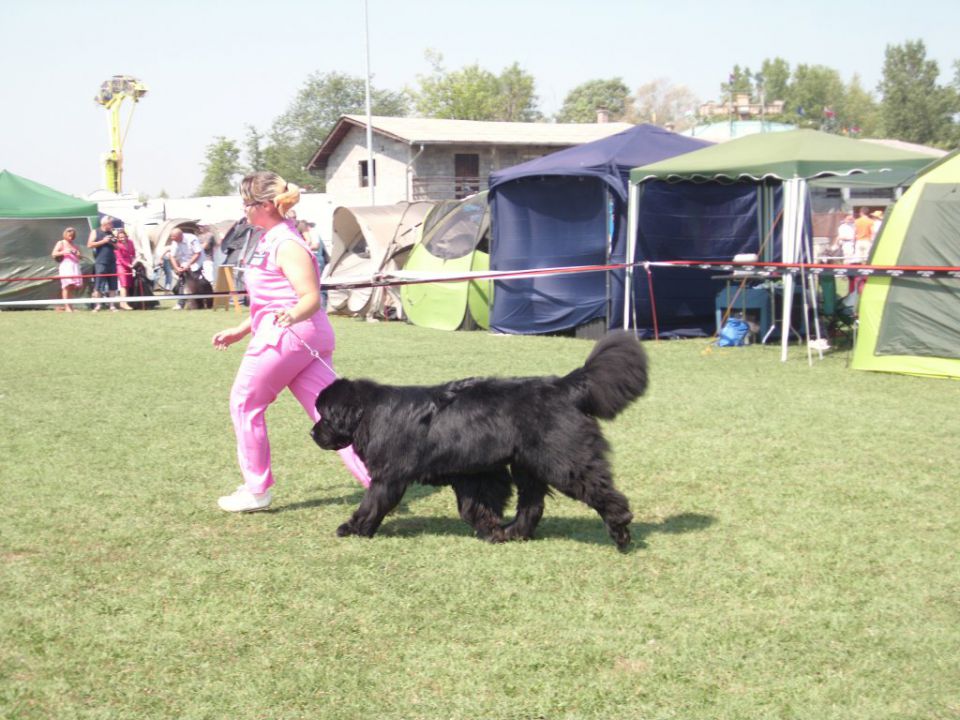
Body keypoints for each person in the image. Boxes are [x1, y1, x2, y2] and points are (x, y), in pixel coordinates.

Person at [212, 171, 370, 512]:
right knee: (333, 415)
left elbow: (310, 297)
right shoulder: (273, 238)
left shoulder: (286, 243)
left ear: (267, 205)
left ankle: (257, 490)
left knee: (244, 403)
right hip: (297, 337)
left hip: (287, 339)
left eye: (248, 202)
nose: (244, 209)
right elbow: (271, 301)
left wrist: (292, 317)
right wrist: (242, 329)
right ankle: (379, 479)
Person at [87, 216, 119, 312]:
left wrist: (113, 242)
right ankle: (98, 305)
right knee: (98, 284)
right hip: (100, 262)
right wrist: (103, 241)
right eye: (111, 223)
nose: (112, 225)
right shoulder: (95, 232)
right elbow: (89, 244)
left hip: (112, 262)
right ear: (105, 224)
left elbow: (117, 247)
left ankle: (112, 305)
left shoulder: (111, 233)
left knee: (113, 285)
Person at [166, 228, 203, 309]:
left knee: (188, 284)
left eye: (174, 237)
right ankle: (185, 303)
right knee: (179, 286)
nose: (173, 239)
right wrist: (176, 268)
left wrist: (188, 265)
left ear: (180, 235)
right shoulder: (175, 242)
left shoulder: (192, 239)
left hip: (196, 263)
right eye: (172, 237)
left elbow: (198, 253)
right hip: (183, 264)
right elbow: (172, 256)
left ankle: (182, 304)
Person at [52, 227, 83, 312]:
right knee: (66, 286)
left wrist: (78, 254)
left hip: (75, 266)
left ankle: (71, 306)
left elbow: (80, 256)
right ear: (65, 234)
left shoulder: (75, 245)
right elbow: (54, 254)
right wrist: (65, 251)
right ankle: (67, 307)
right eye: (69, 234)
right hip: (66, 266)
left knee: (72, 286)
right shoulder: (61, 243)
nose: (71, 236)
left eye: (72, 235)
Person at [114, 228, 136, 310]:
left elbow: (133, 253)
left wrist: (133, 262)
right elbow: (120, 258)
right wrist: (128, 265)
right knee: (124, 284)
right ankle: (123, 303)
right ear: (118, 238)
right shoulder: (117, 245)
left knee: (128, 285)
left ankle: (124, 302)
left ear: (126, 236)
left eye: (123, 237)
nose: (122, 239)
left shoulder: (131, 242)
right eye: (120, 238)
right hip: (121, 266)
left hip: (130, 264)